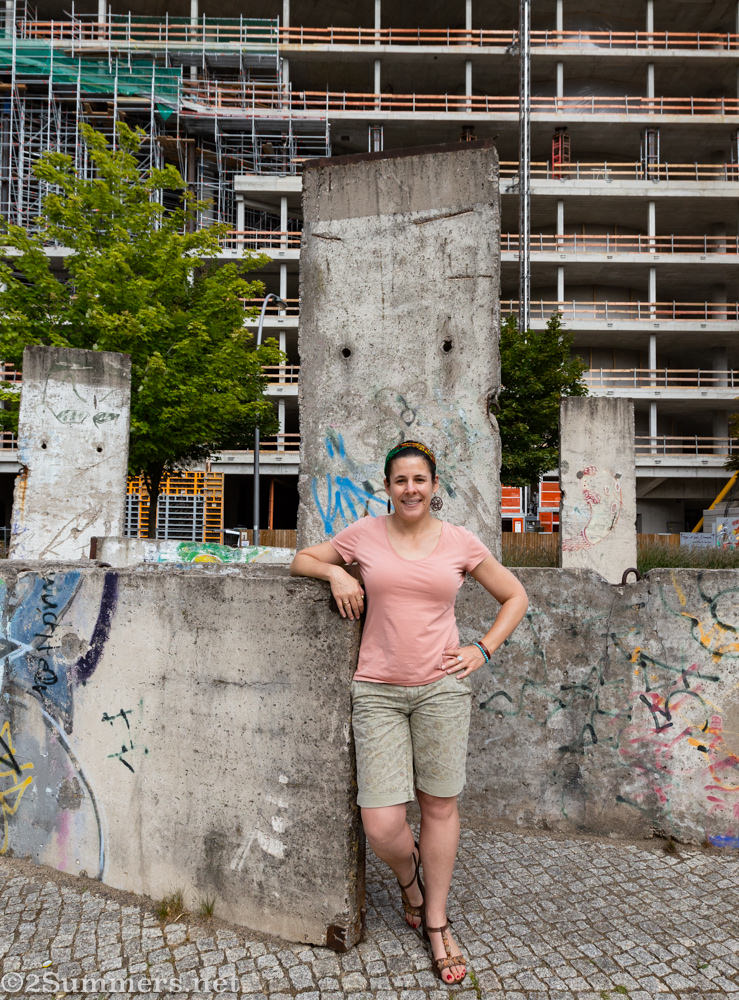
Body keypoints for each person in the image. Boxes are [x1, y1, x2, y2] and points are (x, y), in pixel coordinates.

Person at [291, 440, 528, 984]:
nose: (410, 489)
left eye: (419, 480)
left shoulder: (460, 542)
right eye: (400, 481)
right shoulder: (365, 535)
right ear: (388, 487)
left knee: (439, 807)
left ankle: (438, 924)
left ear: (434, 485)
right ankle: (410, 883)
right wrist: (338, 574)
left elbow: (514, 596)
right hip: (376, 692)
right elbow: (301, 557)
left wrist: (482, 648)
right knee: (382, 823)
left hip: (441, 691)